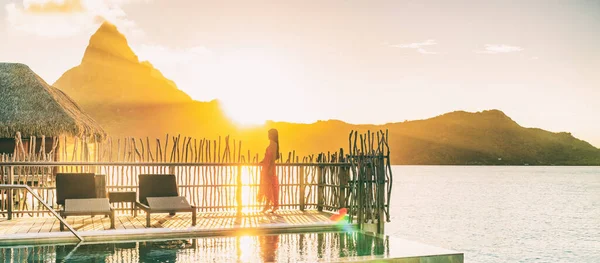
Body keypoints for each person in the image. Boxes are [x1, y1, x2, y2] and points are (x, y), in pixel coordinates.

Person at [257, 128, 280, 213]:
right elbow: (267, 156)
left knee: (272, 186)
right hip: (266, 167)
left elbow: (273, 158)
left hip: (270, 167)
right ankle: (267, 205)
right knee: (266, 186)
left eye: (269, 134)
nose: (268, 135)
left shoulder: (274, 144)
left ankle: (274, 205)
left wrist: (270, 168)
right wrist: (262, 161)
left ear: (272, 135)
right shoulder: (270, 143)